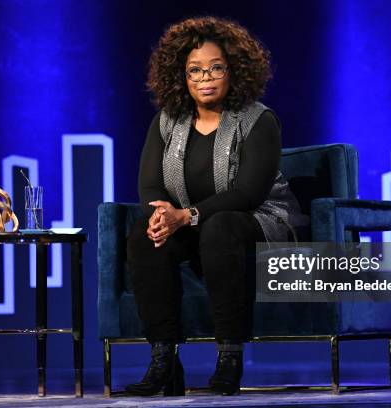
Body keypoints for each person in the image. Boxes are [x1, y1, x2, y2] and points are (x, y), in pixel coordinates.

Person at [125, 16, 306, 396]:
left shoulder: (258, 119)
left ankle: (229, 357)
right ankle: (163, 360)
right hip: (193, 224)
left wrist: (186, 215)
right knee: (145, 238)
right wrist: (161, 217)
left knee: (221, 225)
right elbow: (150, 183)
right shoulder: (168, 121)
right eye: (195, 70)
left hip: (258, 220)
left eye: (215, 68)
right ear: (181, 76)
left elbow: (249, 193)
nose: (205, 78)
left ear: (234, 71)